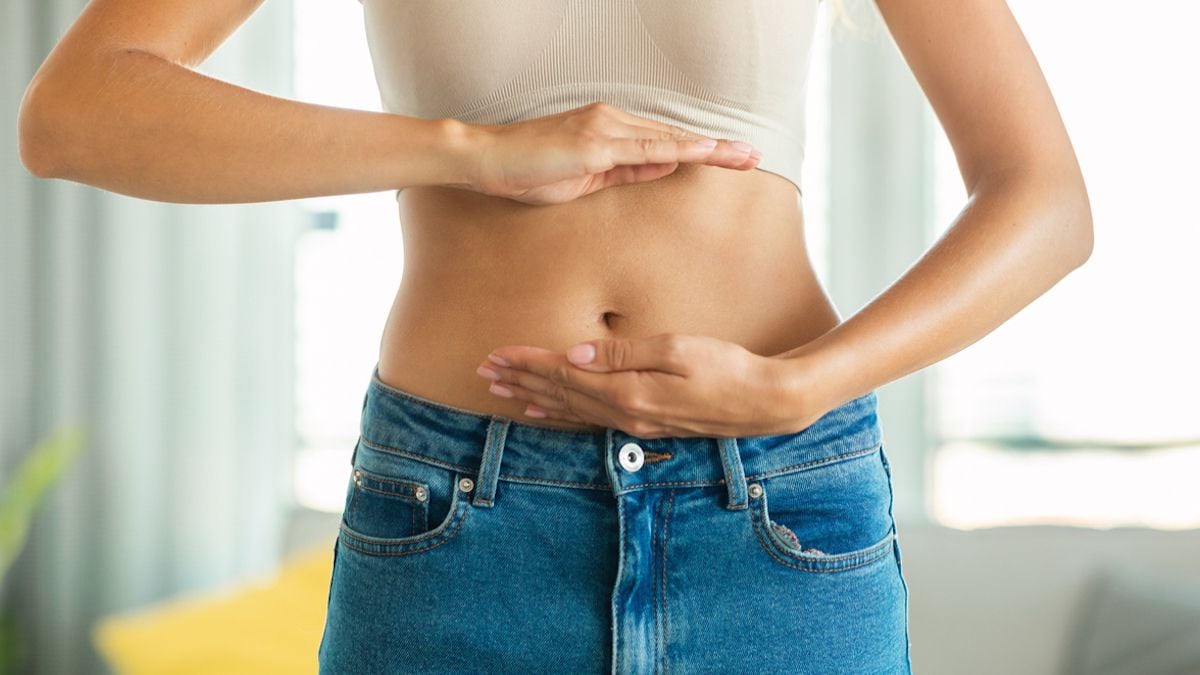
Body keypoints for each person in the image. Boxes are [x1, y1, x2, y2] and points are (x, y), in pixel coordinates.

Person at [17, 0, 1092, 672]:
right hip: (458, 515)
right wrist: (471, 150)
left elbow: (1045, 199)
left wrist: (804, 384)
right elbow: (77, 115)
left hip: (773, 510)